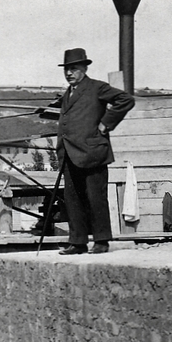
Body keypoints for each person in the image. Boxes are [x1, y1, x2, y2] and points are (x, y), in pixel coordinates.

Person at [39, 47, 135, 254]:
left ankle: (101, 241)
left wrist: (105, 124)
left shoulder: (97, 87)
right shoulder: (68, 94)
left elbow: (126, 100)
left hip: (92, 152)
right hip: (70, 154)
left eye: (73, 69)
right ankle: (78, 242)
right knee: (73, 200)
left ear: (84, 68)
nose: (69, 73)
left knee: (95, 198)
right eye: (66, 70)